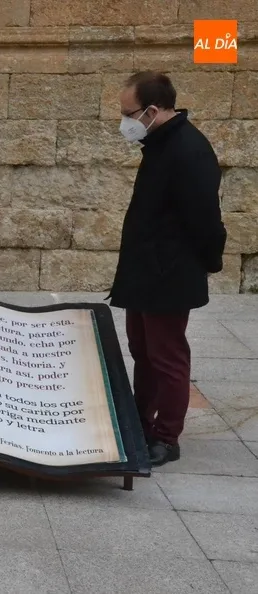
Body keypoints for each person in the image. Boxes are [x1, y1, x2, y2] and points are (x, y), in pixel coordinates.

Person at [109, 71, 227, 467]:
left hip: (168, 274)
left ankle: (166, 436)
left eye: (129, 114)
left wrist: (209, 262)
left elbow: (205, 220)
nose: (125, 121)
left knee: (167, 356)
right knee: (142, 351)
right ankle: (140, 422)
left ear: (153, 110)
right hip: (145, 272)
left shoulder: (189, 150)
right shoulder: (160, 144)